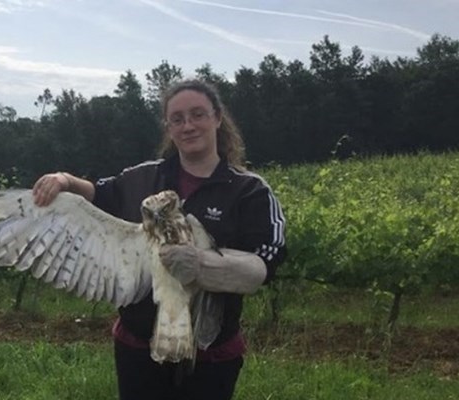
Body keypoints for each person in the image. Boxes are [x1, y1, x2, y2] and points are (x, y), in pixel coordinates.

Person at [31, 79, 287, 400]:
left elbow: (267, 261)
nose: (188, 125)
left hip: (210, 352)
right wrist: (64, 180)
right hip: (139, 348)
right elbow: (100, 194)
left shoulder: (249, 190)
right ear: (168, 127)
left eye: (198, 115)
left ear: (217, 118)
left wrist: (204, 265)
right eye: (177, 119)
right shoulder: (143, 177)